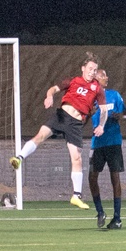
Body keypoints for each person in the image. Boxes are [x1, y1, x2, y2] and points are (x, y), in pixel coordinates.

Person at [10, 52, 107, 209]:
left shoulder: (97, 88)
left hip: (75, 124)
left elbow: (103, 110)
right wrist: (49, 97)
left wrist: (101, 125)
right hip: (61, 116)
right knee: (40, 136)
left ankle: (76, 196)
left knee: (77, 159)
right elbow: (52, 89)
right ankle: (19, 158)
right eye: (90, 68)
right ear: (83, 68)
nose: (92, 72)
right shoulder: (73, 81)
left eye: (95, 70)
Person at [89, 69, 126, 230]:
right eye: (103, 75)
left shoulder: (114, 95)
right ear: (95, 79)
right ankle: (100, 212)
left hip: (113, 141)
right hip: (97, 142)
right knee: (92, 177)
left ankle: (117, 218)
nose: (107, 77)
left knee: (115, 178)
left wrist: (120, 116)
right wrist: (88, 114)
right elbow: (83, 118)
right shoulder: (90, 98)